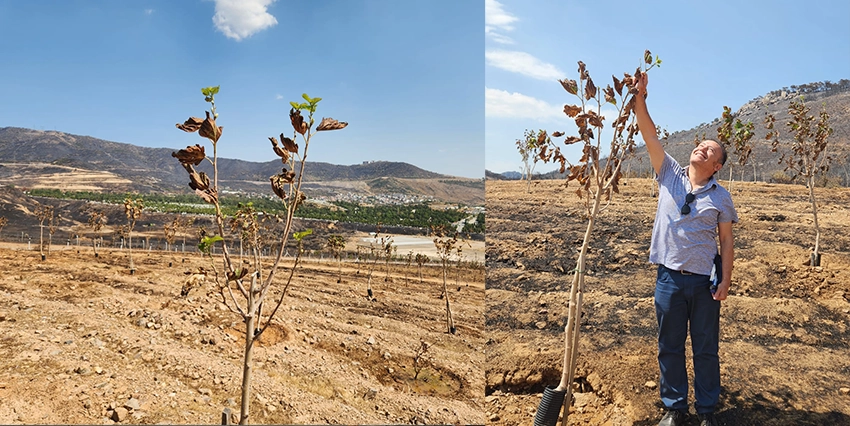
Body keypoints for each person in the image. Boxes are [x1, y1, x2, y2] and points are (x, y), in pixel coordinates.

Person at [634, 73, 738, 426]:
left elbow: (726, 242)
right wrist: (640, 98)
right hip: (668, 280)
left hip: (703, 284)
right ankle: (674, 408)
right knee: (670, 346)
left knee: (706, 350)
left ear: (716, 166)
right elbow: (649, 134)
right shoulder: (670, 174)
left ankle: (707, 411)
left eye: (710, 149)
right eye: (700, 144)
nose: (701, 148)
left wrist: (725, 280)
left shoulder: (721, 197)